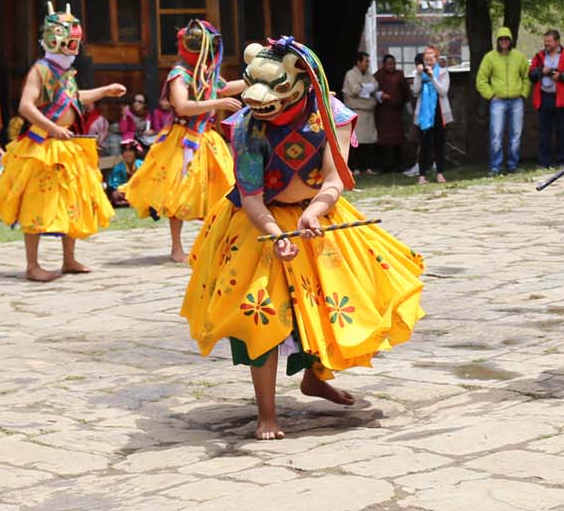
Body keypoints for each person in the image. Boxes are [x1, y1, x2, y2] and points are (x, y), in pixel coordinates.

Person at [182, 37, 425, 440]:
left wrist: (313, 212)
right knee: (262, 311)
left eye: (274, 90)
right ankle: (267, 414)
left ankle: (314, 378)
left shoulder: (330, 114)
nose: (259, 99)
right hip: (258, 223)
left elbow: (334, 179)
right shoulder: (247, 125)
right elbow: (252, 196)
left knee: (323, 302)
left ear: (301, 82)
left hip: (318, 214)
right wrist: (276, 234)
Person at [0, 4, 125, 282]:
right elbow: (26, 107)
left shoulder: (66, 74)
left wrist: (105, 91)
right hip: (43, 145)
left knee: (70, 201)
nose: (75, 48)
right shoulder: (40, 70)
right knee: (38, 203)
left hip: (66, 144)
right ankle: (32, 265)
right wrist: (52, 128)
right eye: (71, 42)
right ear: (57, 40)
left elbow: (74, 99)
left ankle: (69, 259)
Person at [122, 19, 244, 263]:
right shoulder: (180, 74)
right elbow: (183, 106)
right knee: (178, 193)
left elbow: (226, 87)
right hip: (183, 138)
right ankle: (177, 247)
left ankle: (214, 241)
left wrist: (259, 79)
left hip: (207, 137)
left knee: (220, 190)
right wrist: (217, 104)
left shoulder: (204, 72)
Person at [475, 27, 529, 173]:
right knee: (496, 135)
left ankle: (513, 165)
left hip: (516, 101)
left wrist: (523, 94)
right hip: (497, 102)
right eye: (501, 39)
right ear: (498, 41)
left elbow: (526, 77)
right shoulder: (490, 57)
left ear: (510, 40)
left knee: (516, 136)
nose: (504, 41)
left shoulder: (519, 56)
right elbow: (481, 80)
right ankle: (495, 166)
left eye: (506, 39)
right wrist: (491, 95)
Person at [529, 29, 564, 169]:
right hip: (544, 97)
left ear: (557, 41)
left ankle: (562, 161)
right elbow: (531, 74)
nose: (546, 43)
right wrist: (542, 71)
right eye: (545, 41)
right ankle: (543, 162)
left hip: (562, 98)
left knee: (562, 131)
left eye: (549, 41)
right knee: (543, 132)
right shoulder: (539, 56)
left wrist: (561, 76)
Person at [413, 46, 453, 184]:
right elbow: (415, 91)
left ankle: (440, 173)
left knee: (439, 144)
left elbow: (443, 91)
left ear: (436, 59)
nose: (429, 62)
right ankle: (422, 175)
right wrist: (419, 75)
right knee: (424, 145)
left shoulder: (442, 73)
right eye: (426, 60)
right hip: (424, 113)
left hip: (439, 113)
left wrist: (432, 78)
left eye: (431, 59)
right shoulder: (418, 73)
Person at [341, 52, 380, 173]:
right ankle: (355, 167)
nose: (368, 64)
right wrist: (367, 88)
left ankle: (368, 167)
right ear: (358, 62)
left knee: (369, 142)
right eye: (366, 61)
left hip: (369, 112)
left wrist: (363, 88)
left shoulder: (369, 75)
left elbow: (376, 85)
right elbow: (354, 89)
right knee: (356, 142)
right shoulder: (350, 74)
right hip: (356, 111)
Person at [374, 54, 412, 175]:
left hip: (396, 112)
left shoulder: (399, 74)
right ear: (384, 64)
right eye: (389, 64)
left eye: (393, 64)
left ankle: (399, 164)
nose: (391, 66)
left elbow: (406, 92)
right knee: (383, 140)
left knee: (398, 140)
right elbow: (373, 90)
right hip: (383, 112)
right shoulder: (378, 75)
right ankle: (384, 166)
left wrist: (406, 105)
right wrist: (380, 96)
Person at [104, 141, 139, 207]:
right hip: (124, 192)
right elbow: (115, 185)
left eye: (130, 151)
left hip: (138, 190)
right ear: (122, 154)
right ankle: (131, 202)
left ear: (135, 153)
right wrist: (127, 187)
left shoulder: (141, 165)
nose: (128, 154)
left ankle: (130, 202)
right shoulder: (118, 168)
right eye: (125, 152)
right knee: (115, 196)